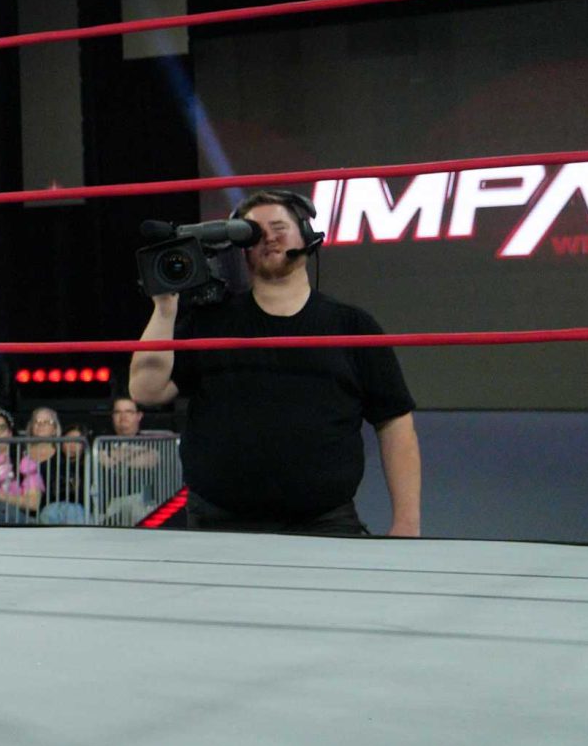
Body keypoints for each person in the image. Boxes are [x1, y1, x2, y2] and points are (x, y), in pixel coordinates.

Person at [130, 189, 422, 536]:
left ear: (307, 235)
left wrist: (406, 523)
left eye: (279, 227)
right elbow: (146, 391)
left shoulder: (352, 326)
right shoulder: (210, 322)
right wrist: (165, 309)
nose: (268, 237)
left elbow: (395, 423)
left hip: (324, 524)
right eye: (253, 232)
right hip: (219, 523)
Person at [90, 395, 180, 527]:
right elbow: (102, 459)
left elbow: (149, 460)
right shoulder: (101, 442)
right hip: (111, 503)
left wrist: (114, 455)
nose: (123, 417)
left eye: (129, 412)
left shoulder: (150, 441)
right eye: (118, 412)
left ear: (139, 416)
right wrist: (133, 454)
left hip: (142, 501)